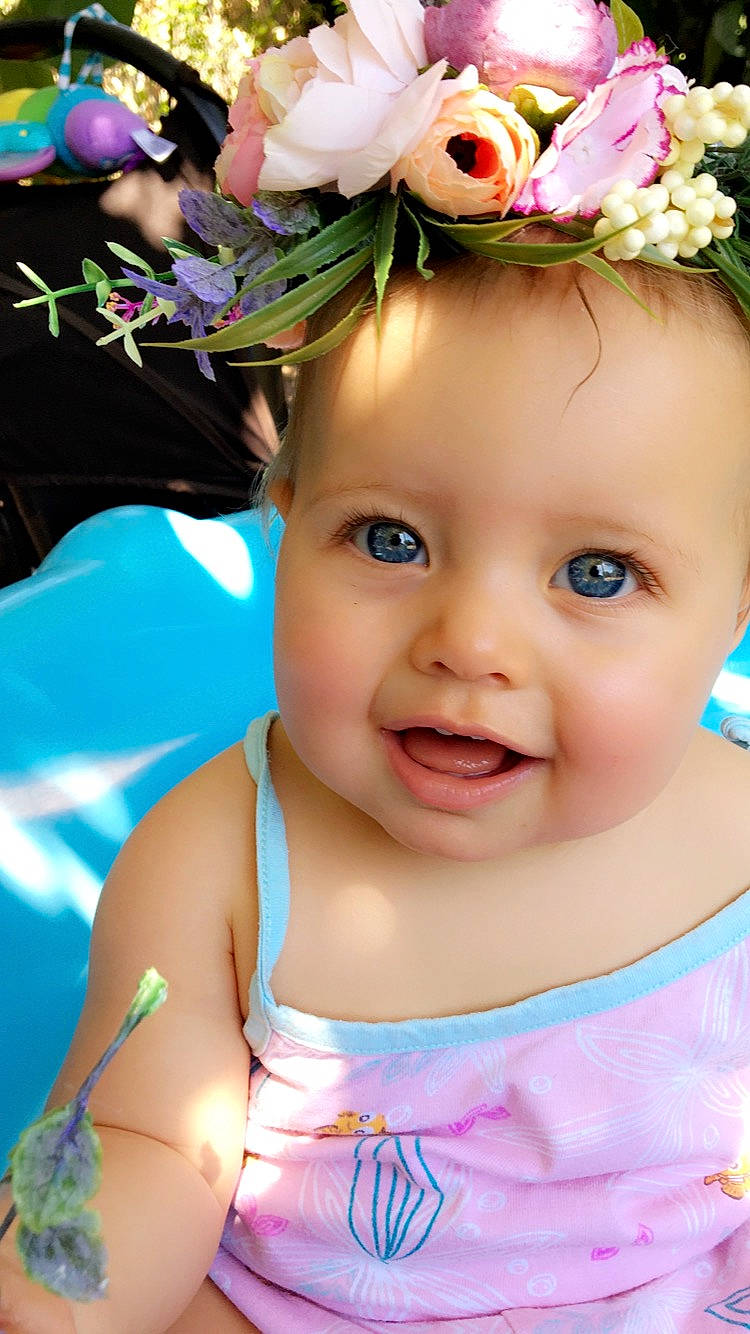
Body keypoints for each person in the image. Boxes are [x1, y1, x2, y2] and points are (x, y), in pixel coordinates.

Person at [3, 2, 750, 1329]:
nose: (467, 641)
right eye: (389, 538)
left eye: (594, 574)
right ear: (282, 518)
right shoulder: (221, 859)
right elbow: (148, 1140)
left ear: (732, 608)